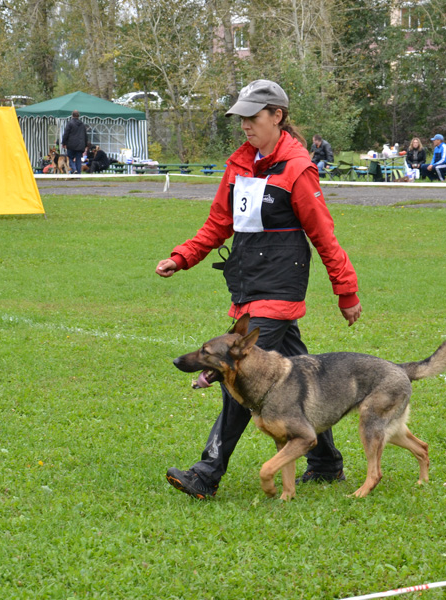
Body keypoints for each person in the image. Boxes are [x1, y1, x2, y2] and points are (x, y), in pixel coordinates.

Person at [155, 79, 362, 500]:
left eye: (252, 117)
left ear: (277, 116)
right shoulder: (238, 165)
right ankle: (325, 463)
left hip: (280, 290)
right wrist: (182, 257)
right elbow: (218, 224)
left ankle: (207, 472)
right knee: (292, 369)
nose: (245, 125)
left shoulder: (297, 168)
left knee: (241, 376)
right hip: (247, 287)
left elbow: (324, 235)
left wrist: (347, 291)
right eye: (241, 118)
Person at [61, 110, 88, 174]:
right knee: (78, 160)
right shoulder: (82, 124)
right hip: (80, 145)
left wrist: (63, 143)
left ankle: (74, 169)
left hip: (71, 144)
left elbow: (66, 134)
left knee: (69, 157)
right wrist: (85, 144)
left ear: (72, 115)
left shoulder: (70, 123)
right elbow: (85, 135)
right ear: (78, 116)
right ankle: (78, 174)